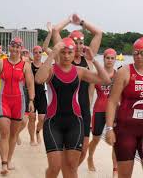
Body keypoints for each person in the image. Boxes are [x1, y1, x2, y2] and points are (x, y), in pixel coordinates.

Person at [35, 38, 110, 178]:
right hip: (53, 122)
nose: (66, 56)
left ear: (74, 53)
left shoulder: (80, 71)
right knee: (54, 167)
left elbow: (106, 80)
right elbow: (38, 79)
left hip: (75, 123)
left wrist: (93, 60)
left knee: (71, 167)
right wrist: (51, 54)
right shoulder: (51, 70)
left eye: (70, 52)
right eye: (63, 52)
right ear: (59, 53)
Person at [52, 14, 103, 166]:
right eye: (76, 43)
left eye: (82, 42)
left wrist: (81, 22)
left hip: (84, 110)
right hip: (66, 110)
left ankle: (70, 170)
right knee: (67, 150)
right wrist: (68, 19)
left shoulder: (87, 59)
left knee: (84, 149)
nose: (80, 46)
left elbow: (99, 33)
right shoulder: (63, 59)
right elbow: (55, 31)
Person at [0, 37, 35, 175]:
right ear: (9, 47)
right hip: (4, 101)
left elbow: (30, 84)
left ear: (21, 49)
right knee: (4, 133)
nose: (15, 49)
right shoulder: (1, 62)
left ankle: (10, 159)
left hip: (19, 102)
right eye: (13, 46)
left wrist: (31, 100)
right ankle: (4, 163)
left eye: (18, 47)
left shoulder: (25, 65)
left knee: (13, 134)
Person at [106, 37, 143, 178]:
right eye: (135, 53)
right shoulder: (125, 72)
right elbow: (112, 101)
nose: (138, 56)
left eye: (142, 53)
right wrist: (109, 128)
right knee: (125, 174)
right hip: (126, 130)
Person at [86, 48, 118, 176]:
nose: (109, 60)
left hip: (114, 112)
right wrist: (87, 113)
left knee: (115, 141)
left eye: (112, 58)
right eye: (107, 58)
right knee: (96, 139)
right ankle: (90, 157)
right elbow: (90, 95)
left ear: (115, 60)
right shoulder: (96, 75)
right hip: (99, 110)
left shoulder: (118, 75)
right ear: (103, 59)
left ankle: (115, 169)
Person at [27, 45, 48, 146]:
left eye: (40, 52)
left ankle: (38, 132)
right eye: (35, 52)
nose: (38, 54)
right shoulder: (29, 66)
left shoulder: (44, 66)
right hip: (31, 94)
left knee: (42, 118)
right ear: (33, 53)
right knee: (31, 118)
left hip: (42, 94)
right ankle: (32, 138)